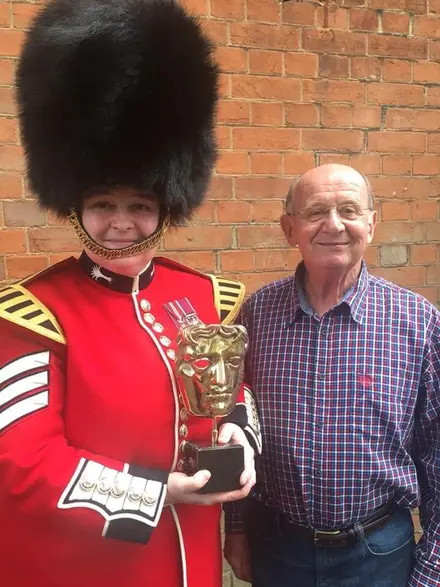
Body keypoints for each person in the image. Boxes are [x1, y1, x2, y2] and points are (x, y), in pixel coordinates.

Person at [0, 1, 261, 586]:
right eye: (103, 205)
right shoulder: (35, 313)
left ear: (165, 208)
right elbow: (25, 465)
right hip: (88, 567)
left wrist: (241, 435)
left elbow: (233, 391)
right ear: (76, 209)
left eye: (140, 205)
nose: (122, 223)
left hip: (192, 563)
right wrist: (158, 492)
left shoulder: (203, 297)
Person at [224, 163, 440, 587]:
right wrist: (236, 528)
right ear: (289, 229)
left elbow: (437, 454)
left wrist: (432, 567)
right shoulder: (256, 316)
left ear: (372, 224)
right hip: (278, 549)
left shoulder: (419, 323)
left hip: (380, 554)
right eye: (316, 211)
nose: (334, 224)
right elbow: (236, 423)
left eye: (349, 210)